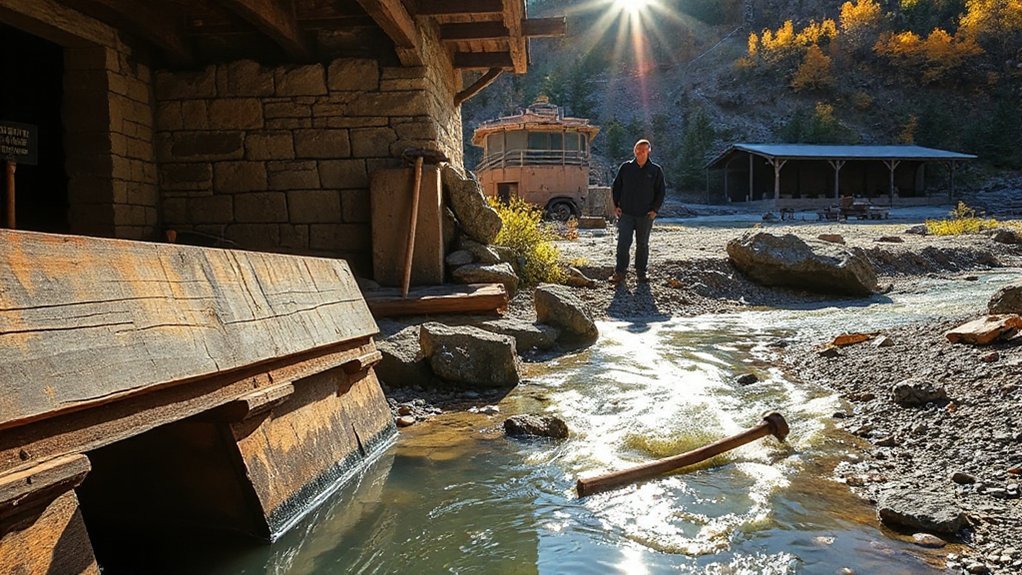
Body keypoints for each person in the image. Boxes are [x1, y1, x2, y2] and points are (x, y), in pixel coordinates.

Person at [610, 139, 665, 284]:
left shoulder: (655, 170)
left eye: (643, 150)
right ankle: (620, 272)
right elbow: (616, 187)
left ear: (649, 151)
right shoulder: (626, 168)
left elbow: (661, 192)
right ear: (634, 150)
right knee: (623, 243)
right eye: (638, 150)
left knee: (642, 244)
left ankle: (641, 272)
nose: (640, 153)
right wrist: (615, 206)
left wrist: (655, 210)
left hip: (645, 215)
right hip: (626, 213)